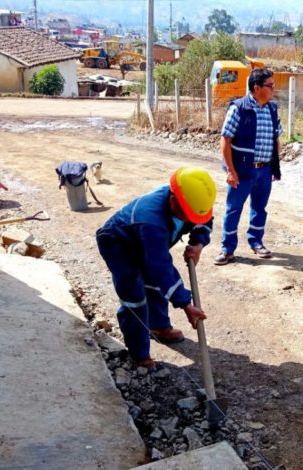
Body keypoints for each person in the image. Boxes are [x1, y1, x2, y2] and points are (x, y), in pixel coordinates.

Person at [96, 167, 216, 370]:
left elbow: (202, 220)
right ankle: (139, 354)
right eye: (186, 216)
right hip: (118, 244)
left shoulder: (192, 201)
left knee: (154, 285)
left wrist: (198, 243)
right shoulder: (151, 220)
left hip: (148, 241)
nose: (189, 220)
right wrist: (185, 304)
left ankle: (159, 327)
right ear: (173, 200)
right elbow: (160, 267)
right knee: (134, 298)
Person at [214, 68, 282, 266]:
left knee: (260, 208)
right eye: (270, 86)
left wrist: (274, 166)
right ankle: (227, 249)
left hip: (264, 170)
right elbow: (225, 140)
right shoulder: (239, 108)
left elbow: (276, 138)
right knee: (233, 209)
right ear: (256, 87)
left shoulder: (272, 108)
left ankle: (256, 241)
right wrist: (230, 170)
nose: (273, 89)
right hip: (242, 170)